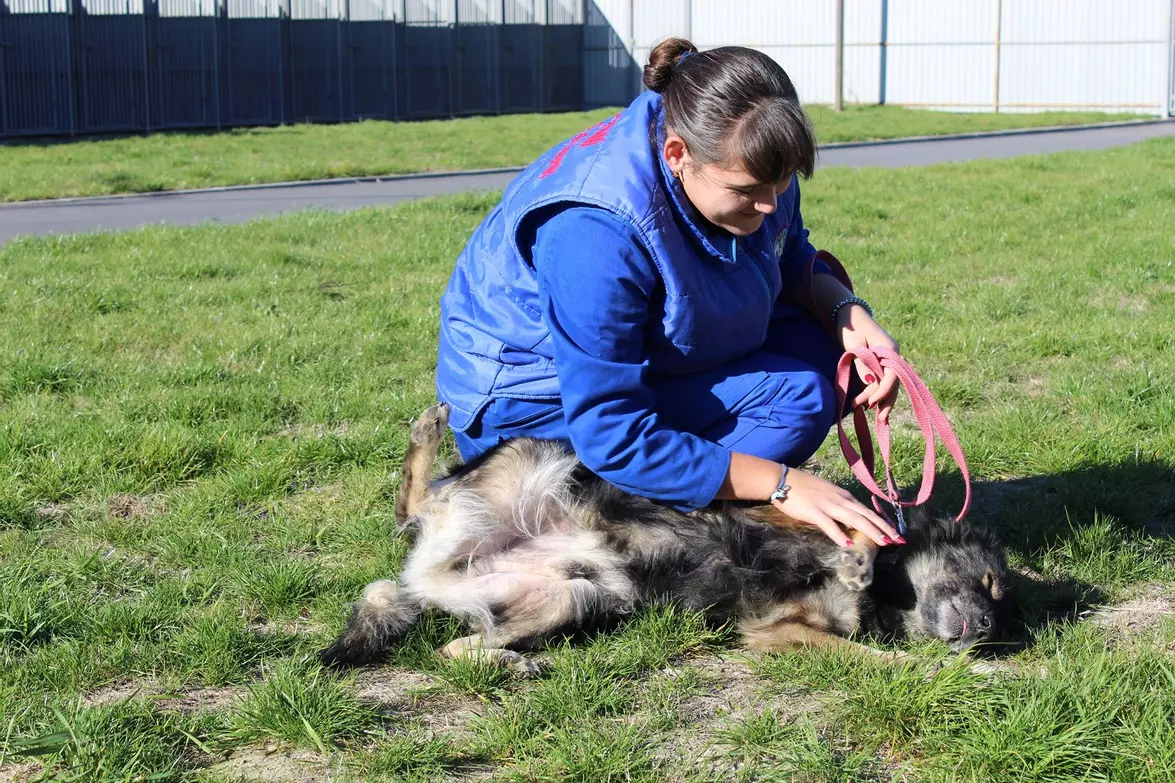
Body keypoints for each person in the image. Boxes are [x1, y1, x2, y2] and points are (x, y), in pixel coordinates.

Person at [435, 38, 903, 548]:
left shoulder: (733, 149)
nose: (771, 203)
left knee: (828, 354)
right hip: (530, 413)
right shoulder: (594, 234)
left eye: (784, 180)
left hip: (628, 360)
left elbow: (788, 257)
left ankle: (691, 484)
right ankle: (646, 521)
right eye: (748, 191)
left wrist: (848, 315)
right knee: (798, 400)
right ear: (678, 155)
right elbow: (611, 433)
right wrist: (781, 484)